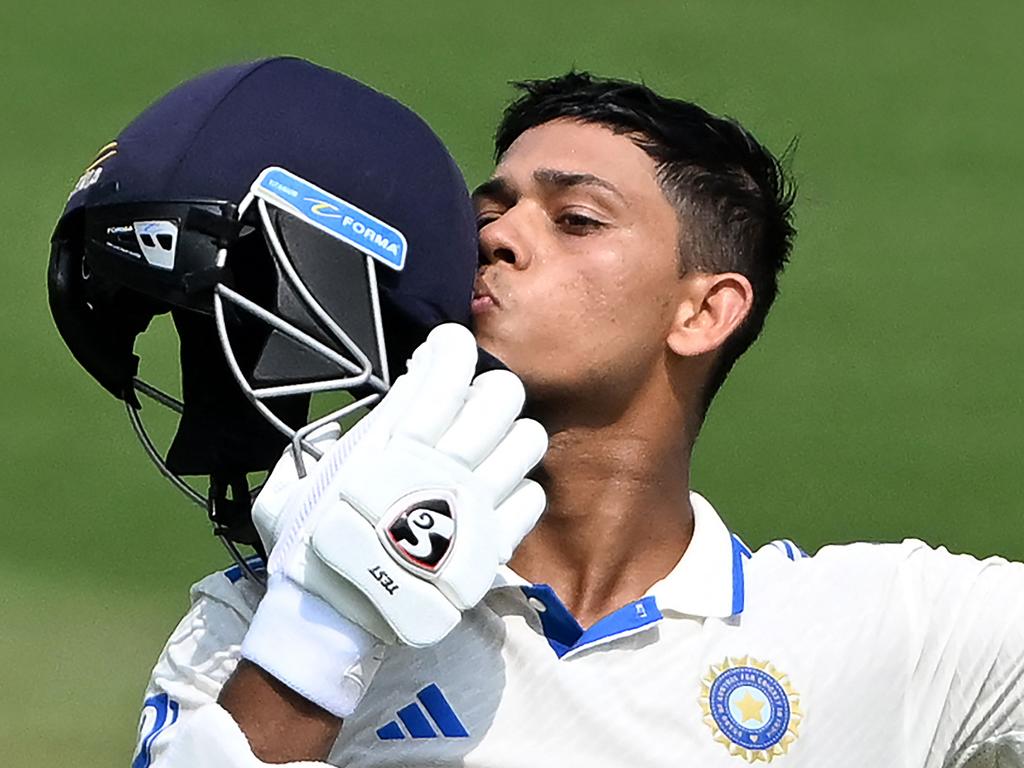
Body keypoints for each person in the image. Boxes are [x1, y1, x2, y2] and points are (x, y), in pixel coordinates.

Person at [64, 67, 1024, 767]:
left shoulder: (896, 629)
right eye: (492, 210)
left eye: (576, 220)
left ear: (704, 311)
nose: (498, 237)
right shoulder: (259, 617)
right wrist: (320, 637)